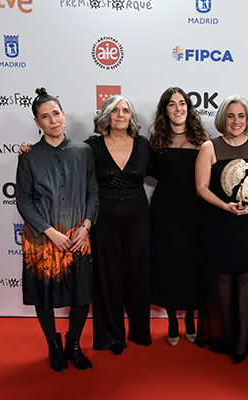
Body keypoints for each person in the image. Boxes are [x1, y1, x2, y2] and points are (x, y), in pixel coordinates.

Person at [16, 87, 99, 372]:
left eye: (56, 113)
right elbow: (23, 200)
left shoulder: (84, 151)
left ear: (64, 115)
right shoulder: (29, 157)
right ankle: (53, 345)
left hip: (78, 237)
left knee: (82, 293)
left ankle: (73, 345)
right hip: (42, 240)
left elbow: (93, 192)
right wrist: (49, 232)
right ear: (37, 122)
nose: (53, 120)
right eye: (45, 117)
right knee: (44, 296)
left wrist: (86, 226)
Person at [194, 95, 248, 364]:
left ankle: (241, 343)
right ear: (222, 119)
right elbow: (201, 188)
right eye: (230, 116)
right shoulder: (209, 147)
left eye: (241, 116)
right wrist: (225, 206)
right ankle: (225, 338)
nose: (236, 121)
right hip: (220, 223)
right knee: (222, 281)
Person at [86, 95, 152, 354]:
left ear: (131, 116)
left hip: (138, 218)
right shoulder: (91, 146)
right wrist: (30, 150)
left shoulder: (143, 144)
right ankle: (110, 336)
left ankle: (139, 331)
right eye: (115, 111)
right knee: (107, 275)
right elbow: (63, 156)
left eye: (125, 110)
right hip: (104, 219)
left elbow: (170, 167)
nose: (121, 115)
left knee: (139, 275)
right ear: (106, 116)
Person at [148, 87, 209, 346]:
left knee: (193, 265)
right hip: (165, 211)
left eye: (182, 103)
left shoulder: (203, 138)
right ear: (165, 109)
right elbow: (150, 171)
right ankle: (172, 320)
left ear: (188, 107)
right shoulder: (156, 140)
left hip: (195, 211)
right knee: (168, 265)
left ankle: (191, 319)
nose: (178, 108)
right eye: (172, 104)